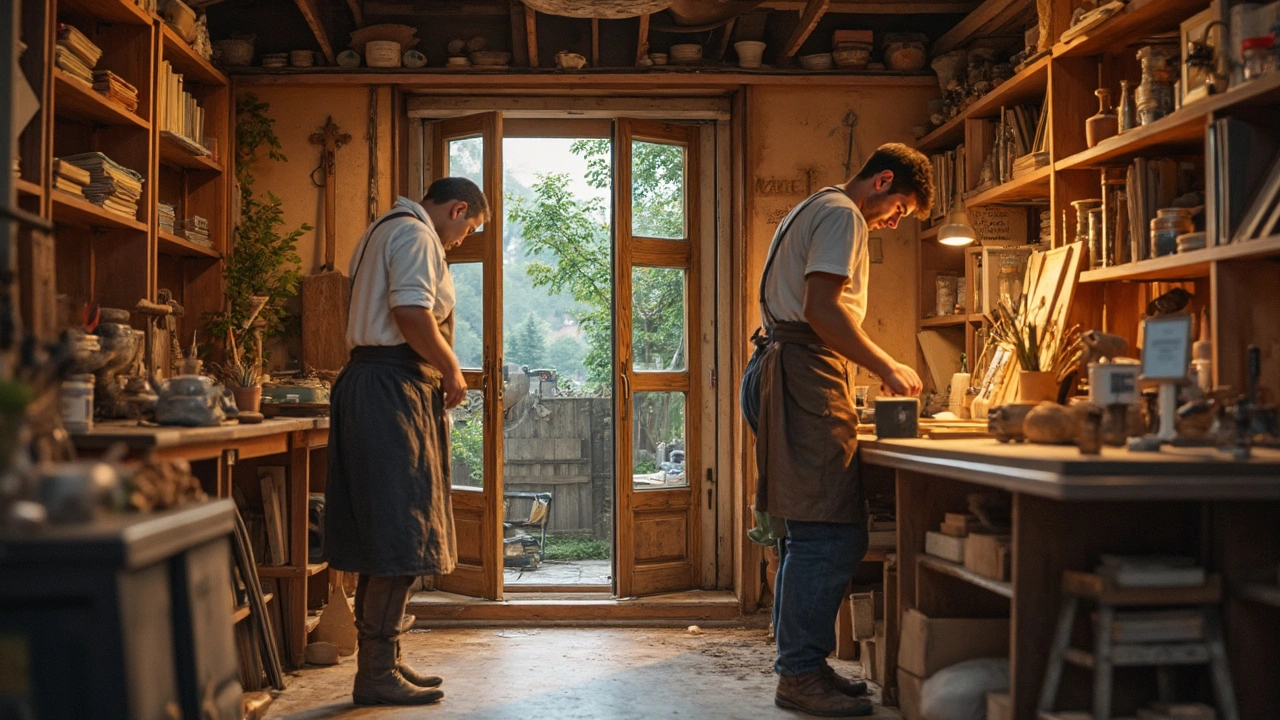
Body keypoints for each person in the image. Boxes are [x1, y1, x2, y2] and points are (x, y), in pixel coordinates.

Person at [757, 144, 933, 716]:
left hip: (784, 367)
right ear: (882, 181)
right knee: (829, 536)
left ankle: (803, 665)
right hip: (802, 372)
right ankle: (800, 675)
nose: (894, 221)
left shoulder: (817, 205)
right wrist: (888, 365)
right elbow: (823, 310)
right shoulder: (844, 215)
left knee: (805, 535)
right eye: (900, 208)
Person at [326, 178, 486, 706]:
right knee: (401, 527)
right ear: (458, 208)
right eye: (468, 229)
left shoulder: (381, 229)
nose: (461, 240)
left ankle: (384, 660)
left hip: (375, 385)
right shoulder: (418, 236)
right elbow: (411, 315)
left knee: (390, 527)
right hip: (390, 387)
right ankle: (374, 671)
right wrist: (452, 370)